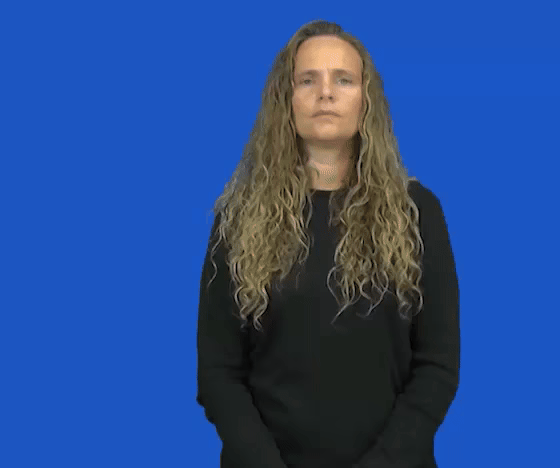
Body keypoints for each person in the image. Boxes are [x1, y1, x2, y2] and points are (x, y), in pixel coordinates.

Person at [196, 19, 460, 468]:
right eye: (307, 80)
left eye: (343, 79)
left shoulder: (418, 212)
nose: (325, 93)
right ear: (286, 100)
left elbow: (438, 366)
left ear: (366, 100)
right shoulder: (239, 216)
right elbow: (218, 373)